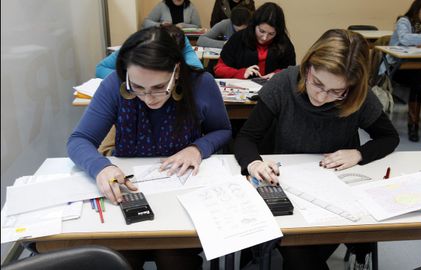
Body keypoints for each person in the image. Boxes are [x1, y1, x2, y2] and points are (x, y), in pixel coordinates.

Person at [67, 26, 231, 269]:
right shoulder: (114, 84)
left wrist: (197, 148)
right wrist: (101, 168)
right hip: (129, 191)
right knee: (119, 259)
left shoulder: (201, 83)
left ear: (177, 69)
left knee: (174, 257)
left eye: (158, 88)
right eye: (138, 88)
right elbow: (79, 140)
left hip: (182, 192)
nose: (148, 98)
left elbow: (223, 130)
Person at [234, 29, 400, 270]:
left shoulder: (357, 96)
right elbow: (246, 138)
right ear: (308, 66)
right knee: (299, 251)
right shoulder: (284, 83)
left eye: (336, 92)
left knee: (303, 252)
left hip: (337, 192)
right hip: (288, 188)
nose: (322, 97)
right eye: (317, 83)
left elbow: (389, 137)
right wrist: (255, 163)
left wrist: (359, 153)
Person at [382, 0, 421, 142]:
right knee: (418, 78)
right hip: (397, 68)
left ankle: (414, 127)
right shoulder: (404, 21)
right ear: (417, 9)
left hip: (417, 70)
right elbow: (404, 39)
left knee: (418, 80)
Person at [214, 2, 296, 80]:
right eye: (261, 31)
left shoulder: (284, 43)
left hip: (271, 90)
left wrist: (278, 75)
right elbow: (219, 69)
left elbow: (292, 72)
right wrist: (241, 73)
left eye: (271, 34)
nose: (264, 37)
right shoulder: (239, 38)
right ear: (254, 25)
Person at [96, 25, 203, 79]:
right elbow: (100, 69)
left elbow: (197, 71)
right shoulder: (140, 43)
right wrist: (131, 78)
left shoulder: (182, 41)